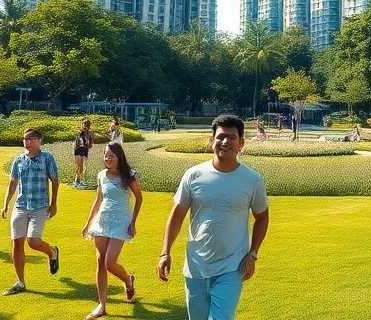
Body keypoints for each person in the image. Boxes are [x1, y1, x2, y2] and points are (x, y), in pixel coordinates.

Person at [157, 115, 269, 320]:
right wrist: (165, 253)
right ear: (212, 141)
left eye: (232, 137)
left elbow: (262, 217)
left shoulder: (252, 180)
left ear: (241, 143)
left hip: (232, 267)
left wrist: (253, 254)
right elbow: (177, 216)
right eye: (220, 137)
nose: (225, 142)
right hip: (196, 265)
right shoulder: (194, 175)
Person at [82, 142, 144, 320]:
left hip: (120, 222)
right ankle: (101, 305)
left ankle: (127, 280)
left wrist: (133, 222)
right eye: (106, 155)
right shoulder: (101, 175)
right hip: (102, 221)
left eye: (111, 156)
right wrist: (88, 223)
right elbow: (98, 200)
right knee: (100, 262)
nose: (107, 158)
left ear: (119, 157)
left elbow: (139, 198)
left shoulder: (129, 175)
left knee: (109, 262)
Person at [2, 128, 61, 296]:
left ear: (39, 140)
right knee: (17, 242)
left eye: (31, 138)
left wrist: (54, 203)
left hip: (40, 206)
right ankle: (20, 282)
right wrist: (6, 204)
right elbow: (13, 183)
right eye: (25, 139)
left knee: (33, 241)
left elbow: (55, 180)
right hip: (20, 206)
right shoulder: (19, 160)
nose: (27, 142)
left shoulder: (47, 157)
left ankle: (52, 252)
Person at [74, 119, 95, 189]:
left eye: (87, 125)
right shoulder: (80, 132)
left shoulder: (89, 134)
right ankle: (77, 182)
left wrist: (91, 138)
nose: (86, 126)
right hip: (79, 151)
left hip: (85, 152)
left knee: (83, 167)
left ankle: (80, 181)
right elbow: (77, 142)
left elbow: (90, 145)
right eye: (85, 124)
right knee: (79, 166)